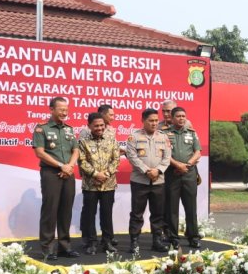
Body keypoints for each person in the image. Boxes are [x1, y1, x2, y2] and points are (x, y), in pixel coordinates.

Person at [32, 96, 79, 261]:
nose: (64, 113)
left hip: (68, 173)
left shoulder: (69, 129)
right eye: (61, 110)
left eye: (66, 110)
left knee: (66, 211)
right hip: (51, 173)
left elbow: (76, 150)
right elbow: (40, 152)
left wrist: (70, 167)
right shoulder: (41, 129)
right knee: (50, 210)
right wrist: (61, 166)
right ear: (51, 109)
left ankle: (65, 247)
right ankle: (48, 248)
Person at [127, 108, 172, 253]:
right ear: (143, 121)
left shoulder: (163, 137)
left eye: (155, 120)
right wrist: (147, 171)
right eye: (150, 121)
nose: (154, 123)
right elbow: (132, 156)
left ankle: (157, 241)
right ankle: (134, 242)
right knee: (137, 213)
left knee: (158, 213)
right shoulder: (134, 137)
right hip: (140, 181)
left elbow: (166, 157)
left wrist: (158, 170)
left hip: (158, 181)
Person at [78, 112, 120, 255]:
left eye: (102, 125)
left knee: (106, 214)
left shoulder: (111, 139)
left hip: (108, 184)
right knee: (90, 214)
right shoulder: (83, 141)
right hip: (90, 185)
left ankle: (107, 242)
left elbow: (116, 159)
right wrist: (96, 174)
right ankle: (91, 243)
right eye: (96, 126)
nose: (100, 128)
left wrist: (106, 174)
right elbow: (81, 161)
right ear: (89, 126)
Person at [164, 106, 202, 249]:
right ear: (172, 119)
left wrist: (186, 165)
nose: (181, 118)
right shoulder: (165, 133)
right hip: (171, 174)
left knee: (191, 207)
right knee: (172, 208)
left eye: (183, 116)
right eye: (178, 116)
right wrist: (177, 165)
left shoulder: (192, 133)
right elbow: (164, 154)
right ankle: (173, 237)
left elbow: (197, 152)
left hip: (189, 174)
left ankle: (193, 236)